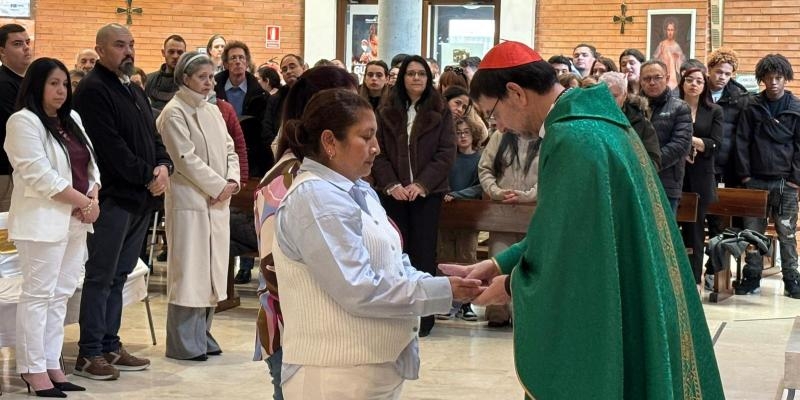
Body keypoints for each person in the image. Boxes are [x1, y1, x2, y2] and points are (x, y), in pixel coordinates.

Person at [441, 40, 724, 399]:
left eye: (492, 112)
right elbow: (562, 227)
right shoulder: (597, 125)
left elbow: (574, 254)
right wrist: (497, 263)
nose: (498, 126)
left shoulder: (572, 139)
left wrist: (512, 286)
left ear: (515, 93)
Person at [274, 88, 481, 399]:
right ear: (330, 141)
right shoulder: (316, 198)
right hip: (333, 373)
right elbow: (357, 288)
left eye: (376, 136)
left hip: (372, 367)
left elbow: (394, 265)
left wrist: (445, 282)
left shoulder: (360, 190)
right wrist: (443, 291)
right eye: (366, 137)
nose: (376, 148)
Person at [73, 23, 173, 381]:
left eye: (131, 44)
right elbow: (109, 147)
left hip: (139, 199)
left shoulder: (131, 87)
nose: (128, 51)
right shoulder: (92, 90)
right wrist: (148, 175)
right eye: (119, 45)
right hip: (114, 198)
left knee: (119, 275)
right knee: (101, 276)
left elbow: (152, 135)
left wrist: (164, 166)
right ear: (100, 50)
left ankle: (110, 344)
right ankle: (89, 353)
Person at [254, 65, 359, 400]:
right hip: (297, 331)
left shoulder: (329, 173)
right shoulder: (286, 180)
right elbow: (276, 269)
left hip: (329, 330)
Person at [5, 57, 100, 397]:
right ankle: (32, 368)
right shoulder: (23, 122)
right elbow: (39, 175)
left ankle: (51, 363)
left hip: (75, 221)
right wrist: (85, 203)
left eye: (65, 84)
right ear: (37, 85)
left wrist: (93, 196)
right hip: (42, 222)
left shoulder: (72, 119)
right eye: (53, 83)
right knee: (38, 296)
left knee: (61, 295)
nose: (61, 90)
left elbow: (91, 165)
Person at [156, 51, 240, 360]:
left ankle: (202, 334)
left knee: (212, 270)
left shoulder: (212, 110)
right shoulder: (174, 113)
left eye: (211, 76)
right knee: (190, 272)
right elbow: (184, 159)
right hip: (189, 200)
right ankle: (183, 342)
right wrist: (217, 186)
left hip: (217, 201)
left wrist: (231, 181)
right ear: (185, 78)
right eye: (202, 77)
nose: (209, 82)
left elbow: (230, 148)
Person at [372, 55, 456, 337]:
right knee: (395, 252)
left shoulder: (440, 109)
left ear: (428, 78)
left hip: (426, 194)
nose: (416, 78)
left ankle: (425, 317)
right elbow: (378, 152)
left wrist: (421, 185)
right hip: (393, 193)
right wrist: (391, 184)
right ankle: (398, 313)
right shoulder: (386, 109)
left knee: (423, 253)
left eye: (421, 74)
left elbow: (446, 153)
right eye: (411, 74)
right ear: (403, 78)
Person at [735, 54, 800, 298]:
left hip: (786, 183)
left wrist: (795, 179)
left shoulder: (796, 108)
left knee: (787, 233)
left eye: (778, 78)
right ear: (761, 79)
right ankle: (752, 277)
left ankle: (792, 278)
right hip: (755, 181)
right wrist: (745, 177)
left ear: (785, 79)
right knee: (753, 233)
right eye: (768, 78)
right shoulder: (751, 106)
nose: (773, 82)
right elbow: (742, 142)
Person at [678, 67, 723, 289]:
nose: (694, 84)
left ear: (704, 86)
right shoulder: (674, 106)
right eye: (689, 80)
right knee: (673, 227)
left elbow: (716, 144)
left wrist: (689, 140)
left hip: (701, 177)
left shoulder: (714, 111)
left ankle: (694, 279)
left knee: (695, 231)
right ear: (682, 83)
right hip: (676, 175)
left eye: (699, 81)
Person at [437, 116, 484, 322]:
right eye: (458, 133)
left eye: (466, 132)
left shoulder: (480, 159)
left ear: (474, 134)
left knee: (467, 258)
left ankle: (466, 304)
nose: (462, 136)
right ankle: (447, 302)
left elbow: (481, 186)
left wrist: (459, 195)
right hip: (446, 214)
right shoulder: (448, 158)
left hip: (470, 215)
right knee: (446, 258)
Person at [640, 60, 693, 214]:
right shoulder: (632, 107)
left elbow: (681, 145)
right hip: (636, 180)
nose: (652, 82)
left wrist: (649, 164)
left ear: (667, 78)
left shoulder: (680, 107)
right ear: (640, 81)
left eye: (657, 77)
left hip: (667, 182)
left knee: (664, 228)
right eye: (646, 78)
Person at [598, 71, 661, 169]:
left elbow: (653, 160)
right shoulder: (588, 120)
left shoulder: (640, 122)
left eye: (614, 96)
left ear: (624, 95)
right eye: (604, 96)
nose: (609, 100)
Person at [0, 23, 32, 212]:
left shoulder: (25, 82)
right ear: (2, 52)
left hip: (20, 170)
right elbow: (21, 128)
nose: (26, 48)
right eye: (18, 44)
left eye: (27, 42)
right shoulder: (4, 84)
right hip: (6, 172)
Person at [145, 34, 187, 113]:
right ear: (163, 53)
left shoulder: (191, 83)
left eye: (180, 52)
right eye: (171, 52)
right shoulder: (148, 81)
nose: (175, 56)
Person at [653, 18, 686, 90]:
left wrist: (677, 57)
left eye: (672, 30)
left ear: (674, 31)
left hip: (672, 72)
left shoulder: (676, 46)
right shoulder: (662, 44)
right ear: (666, 31)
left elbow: (681, 62)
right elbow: (655, 58)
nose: (670, 32)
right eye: (668, 30)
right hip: (663, 70)